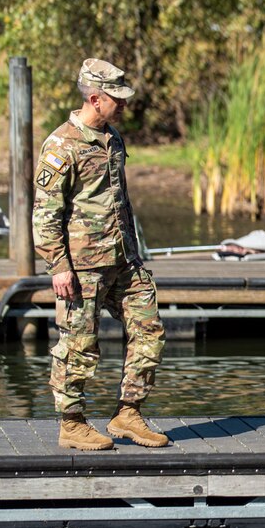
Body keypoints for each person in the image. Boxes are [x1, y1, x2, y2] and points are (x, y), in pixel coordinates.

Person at [33, 58, 168, 451]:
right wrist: (58, 266)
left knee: (149, 330)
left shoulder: (113, 139)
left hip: (123, 260)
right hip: (82, 265)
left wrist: (133, 252)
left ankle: (128, 413)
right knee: (78, 344)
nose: (124, 105)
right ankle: (72, 423)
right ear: (95, 98)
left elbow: (118, 201)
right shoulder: (62, 146)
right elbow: (45, 213)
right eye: (116, 98)